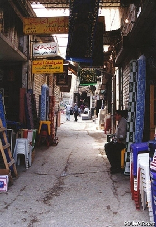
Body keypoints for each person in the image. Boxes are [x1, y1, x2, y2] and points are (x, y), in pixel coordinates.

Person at [104, 110, 127, 174]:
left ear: (120, 115)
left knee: (110, 148)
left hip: (122, 143)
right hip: (118, 141)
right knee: (108, 146)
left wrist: (119, 139)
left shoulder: (123, 122)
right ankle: (114, 165)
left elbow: (123, 135)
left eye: (116, 115)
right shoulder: (120, 122)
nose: (115, 116)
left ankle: (117, 166)